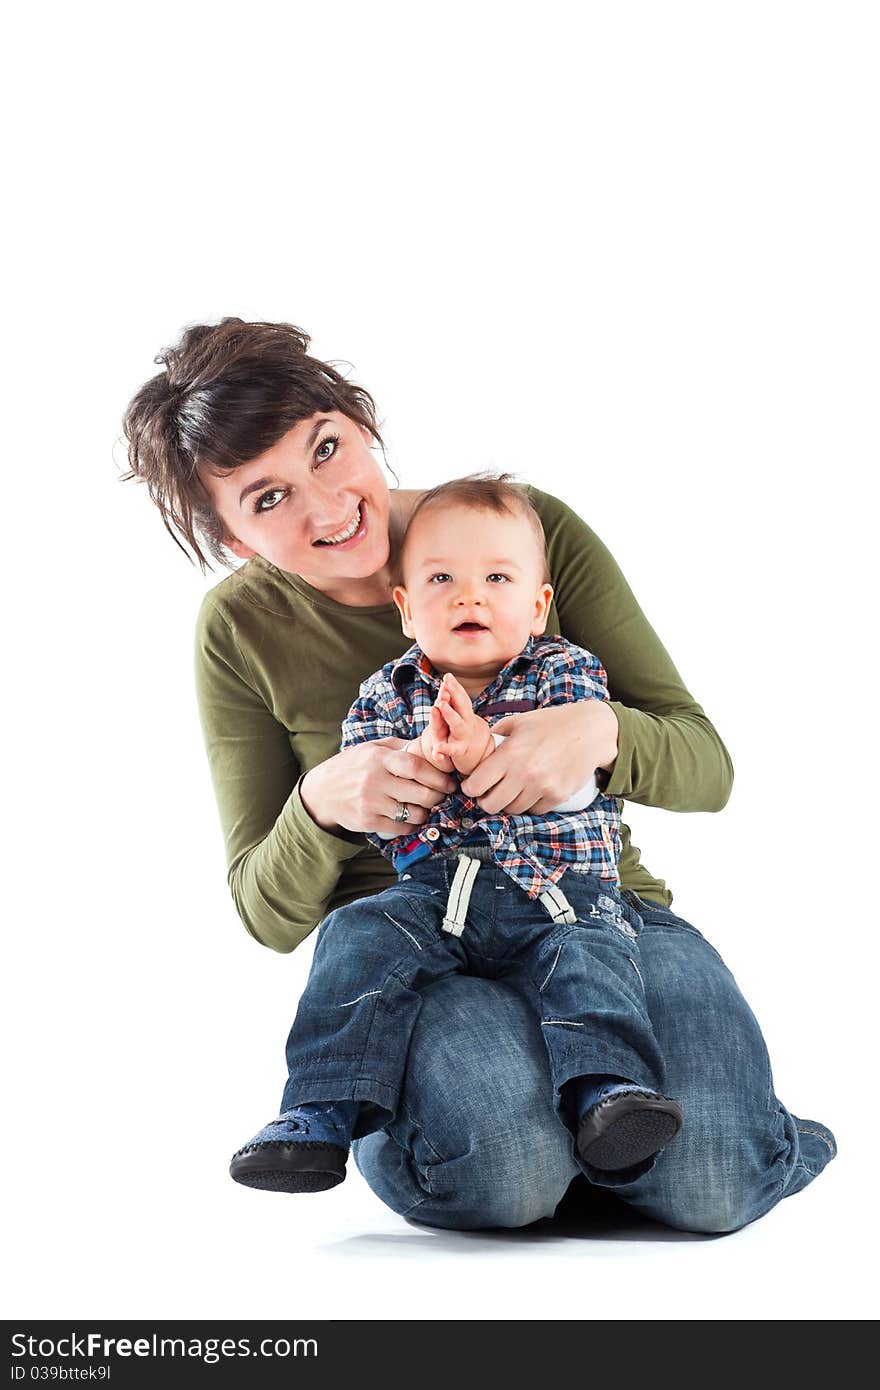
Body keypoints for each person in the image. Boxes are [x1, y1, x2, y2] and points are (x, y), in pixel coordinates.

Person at [121, 317, 836, 1233]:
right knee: (508, 1174)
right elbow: (266, 913)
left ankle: (715, 1137)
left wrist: (596, 731)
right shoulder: (238, 629)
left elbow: (709, 769)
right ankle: (521, 1138)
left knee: (715, 1184)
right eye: (268, 499)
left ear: (363, 425)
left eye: (328, 449)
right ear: (232, 540)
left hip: (593, 906)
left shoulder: (517, 528)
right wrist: (321, 803)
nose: (328, 506)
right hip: (419, 942)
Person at [228, 475, 685, 1195]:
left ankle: (606, 1092)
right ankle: (319, 1107)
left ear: (537, 607)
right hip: (442, 894)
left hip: (556, 888)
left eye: (496, 579)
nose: (470, 597)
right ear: (408, 610)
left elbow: (578, 792)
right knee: (357, 937)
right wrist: (413, 769)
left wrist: (486, 755)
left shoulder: (567, 674)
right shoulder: (387, 694)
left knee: (591, 958)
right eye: (442, 579)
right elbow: (385, 820)